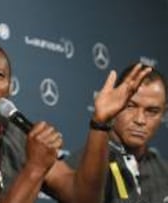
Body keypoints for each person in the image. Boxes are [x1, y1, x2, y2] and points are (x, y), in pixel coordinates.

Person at [0, 38, 152, 203]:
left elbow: (83, 197)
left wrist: (101, 123)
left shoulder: (16, 134)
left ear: (10, 85)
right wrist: (35, 167)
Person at [68, 63, 168, 203]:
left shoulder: (164, 172)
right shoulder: (82, 165)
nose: (140, 120)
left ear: (164, 114)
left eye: (152, 111)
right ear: (116, 104)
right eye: (130, 106)